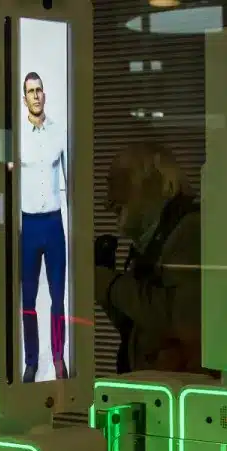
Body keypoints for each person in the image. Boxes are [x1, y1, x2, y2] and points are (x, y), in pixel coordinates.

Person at [96, 142, 202, 375]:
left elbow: (181, 320)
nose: (107, 202)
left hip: (180, 393)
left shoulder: (190, 231)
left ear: (153, 183)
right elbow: (141, 325)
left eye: (117, 184)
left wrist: (111, 285)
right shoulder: (159, 236)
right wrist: (105, 288)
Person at [18, 71, 69, 383]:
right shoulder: (16, 136)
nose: (36, 95)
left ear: (44, 95)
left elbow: (71, 179)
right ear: (24, 99)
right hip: (28, 224)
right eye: (30, 91)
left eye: (39, 90)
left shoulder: (59, 132)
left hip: (53, 224)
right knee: (28, 299)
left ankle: (59, 357)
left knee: (57, 296)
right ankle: (32, 361)